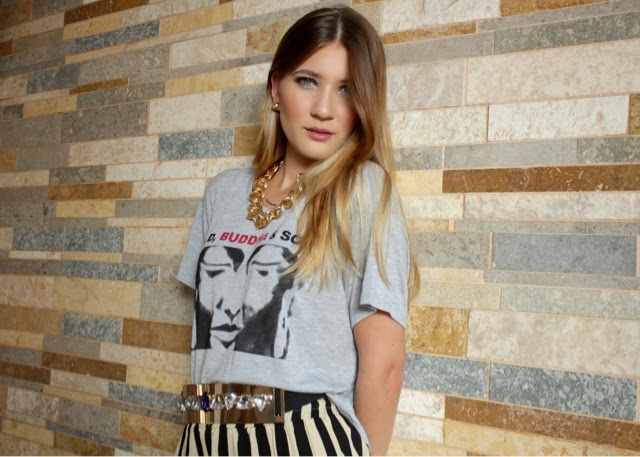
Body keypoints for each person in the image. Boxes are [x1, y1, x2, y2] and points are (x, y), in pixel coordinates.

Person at [176, 5, 419, 456]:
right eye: (307, 81)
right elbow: (209, 342)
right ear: (275, 88)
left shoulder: (363, 190)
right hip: (204, 426)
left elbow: (385, 362)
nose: (324, 109)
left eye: (346, 89)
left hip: (301, 435)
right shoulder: (223, 192)